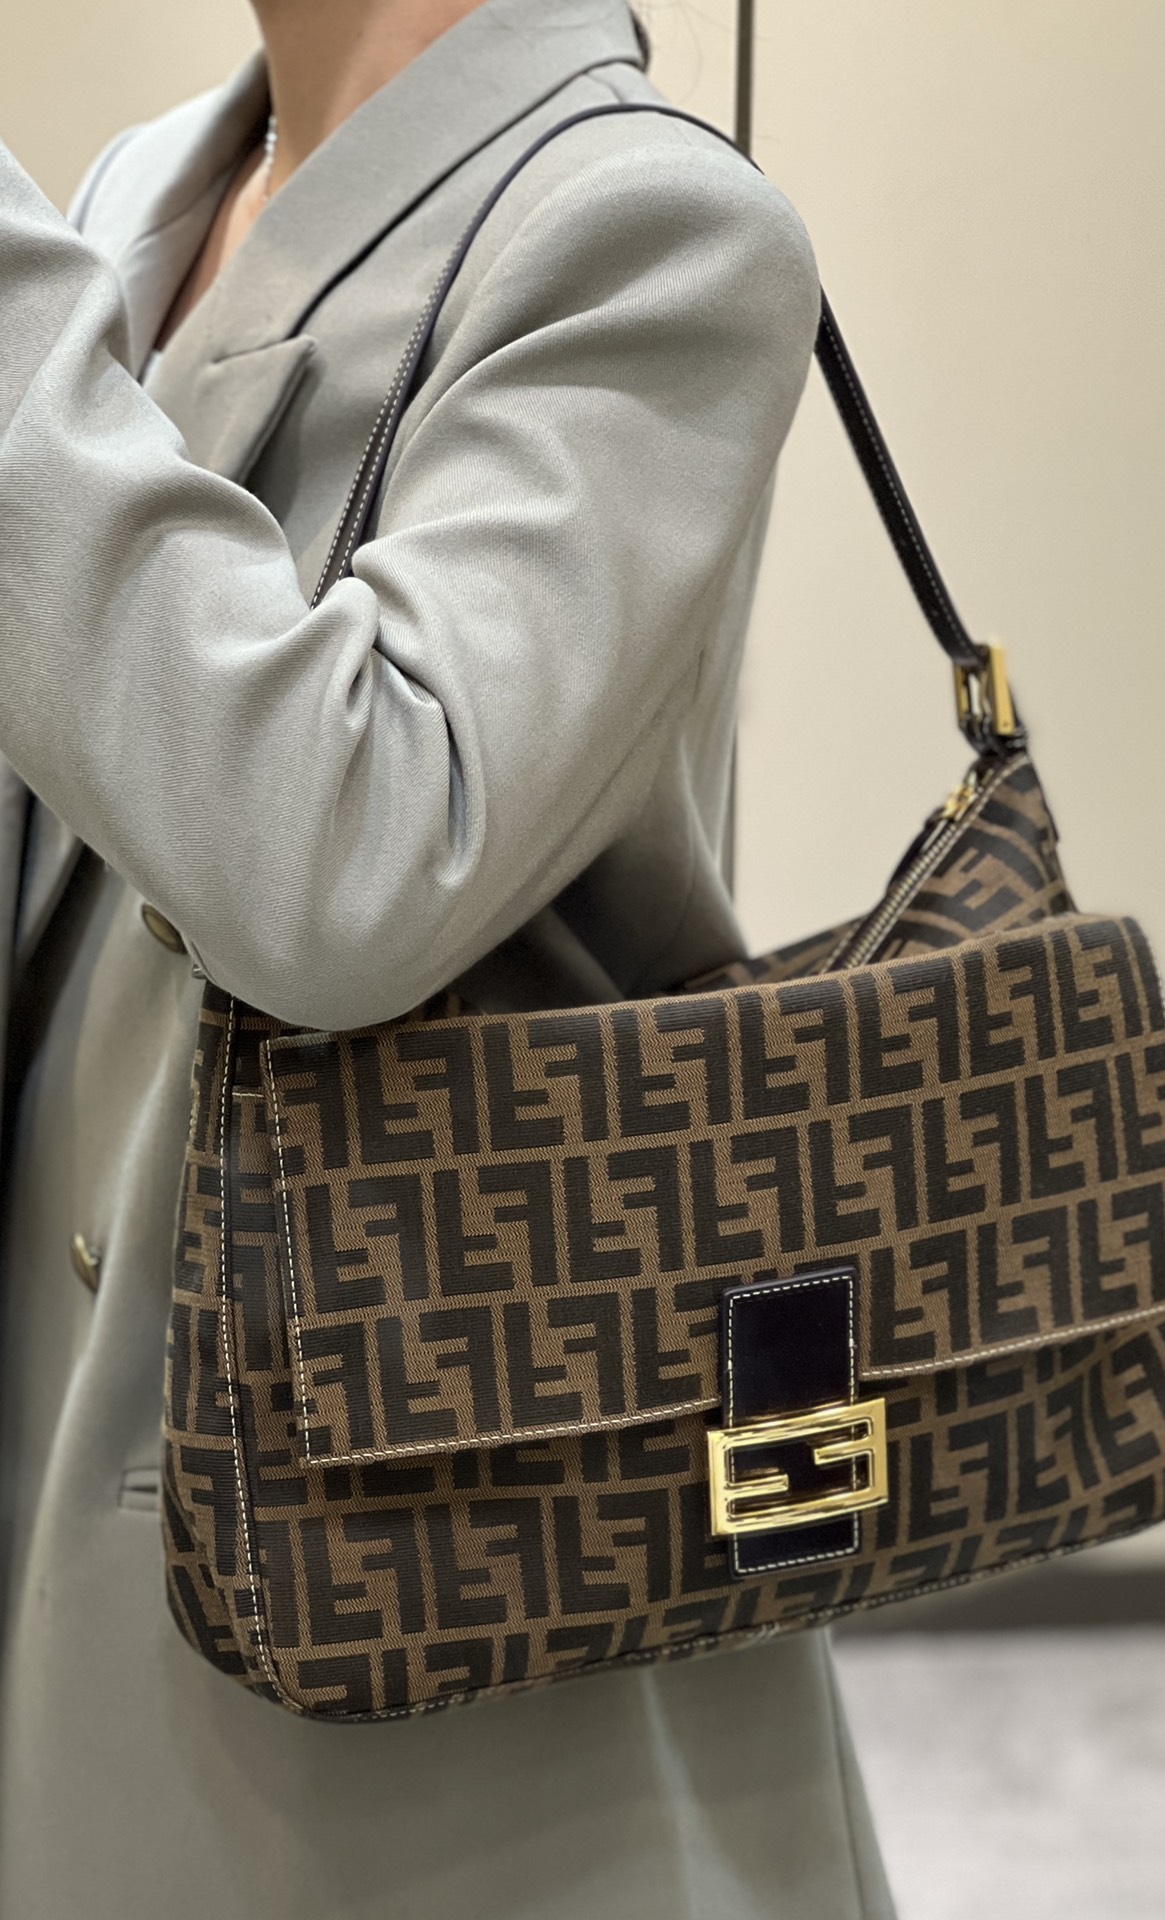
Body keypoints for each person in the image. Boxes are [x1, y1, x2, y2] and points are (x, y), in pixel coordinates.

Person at [0, 0, 897, 1914]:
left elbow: (347, 860)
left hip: (415, 1611)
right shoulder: (139, 197)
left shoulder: (644, 224)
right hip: (73, 1527)